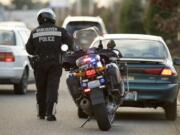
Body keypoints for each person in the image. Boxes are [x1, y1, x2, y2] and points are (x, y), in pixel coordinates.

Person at [26, 8, 73, 121]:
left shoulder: (34, 32)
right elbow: (70, 44)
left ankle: (41, 114)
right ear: (52, 18)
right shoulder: (60, 30)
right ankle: (50, 114)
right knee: (52, 88)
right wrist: (65, 51)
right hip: (55, 64)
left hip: (39, 64)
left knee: (41, 88)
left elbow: (28, 49)